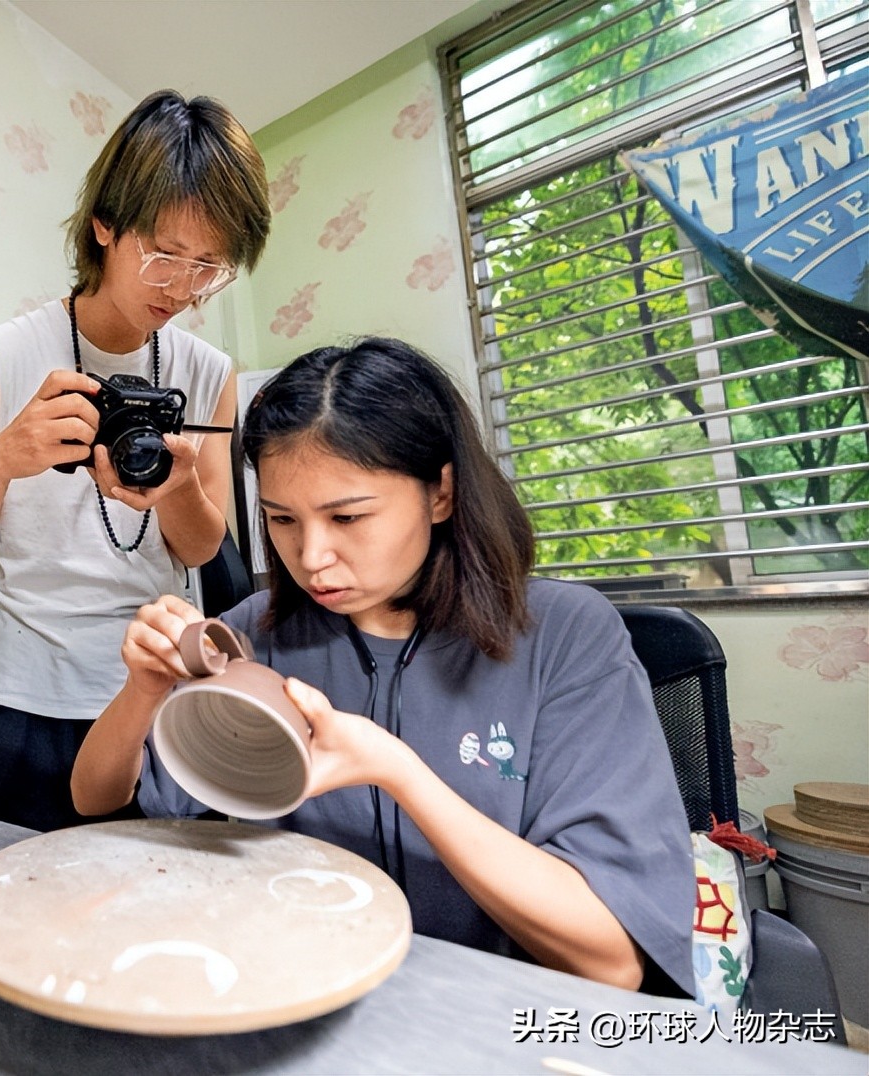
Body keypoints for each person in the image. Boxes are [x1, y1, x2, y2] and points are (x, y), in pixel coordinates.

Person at [71, 337, 696, 995]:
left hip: (494, 1019)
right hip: (298, 999)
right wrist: (144, 691)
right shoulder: (256, 632)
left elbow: (612, 962)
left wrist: (395, 769)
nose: (311, 555)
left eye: (347, 517)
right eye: (282, 520)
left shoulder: (566, 636)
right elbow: (100, 799)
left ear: (441, 493)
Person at [0, 89, 272, 833]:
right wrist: (3, 459)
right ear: (105, 225)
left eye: (208, 267)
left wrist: (175, 489)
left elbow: (204, 547)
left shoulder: (208, 370)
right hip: (17, 694)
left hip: (149, 687)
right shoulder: (1, 353)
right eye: (165, 256)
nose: (182, 290)